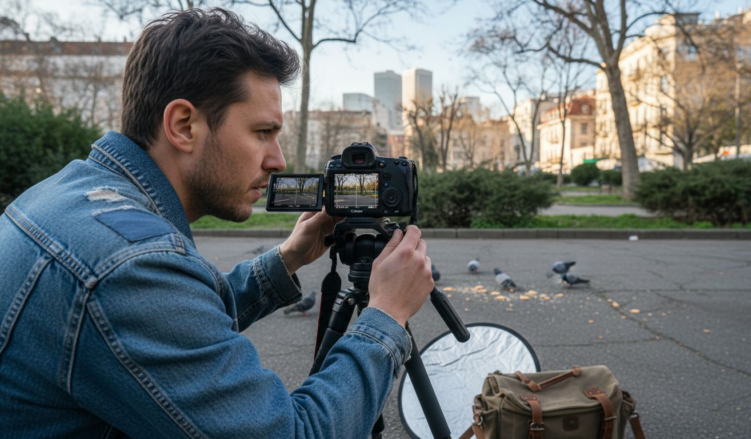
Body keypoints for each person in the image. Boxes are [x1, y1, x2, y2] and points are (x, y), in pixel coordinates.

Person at [0, 8, 434, 438]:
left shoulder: (65, 194)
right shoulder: (130, 267)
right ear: (184, 125)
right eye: (263, 132)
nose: (277, 160)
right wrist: (387, 314)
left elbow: (180, 323)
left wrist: (287, 258)